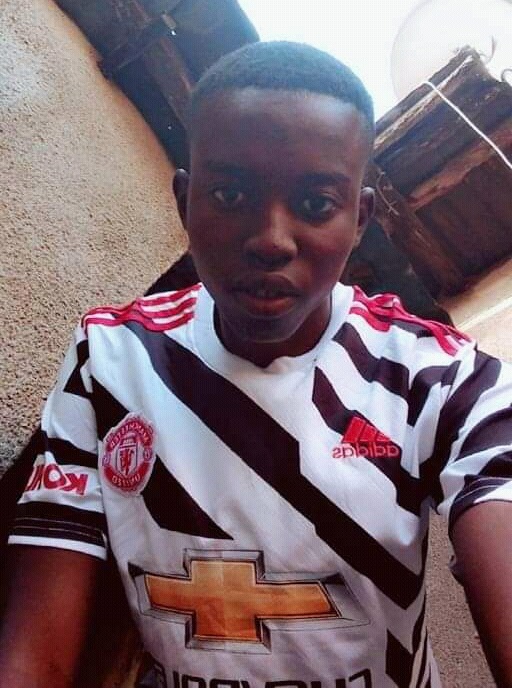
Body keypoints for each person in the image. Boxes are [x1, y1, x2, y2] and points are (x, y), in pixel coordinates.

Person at [0, 41, 511, 688]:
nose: (271, 239)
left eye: (316, 204)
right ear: (185, 202)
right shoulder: (111, 361)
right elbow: (36, 656)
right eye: (230, 193)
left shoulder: (435, 376)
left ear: (359, 219)